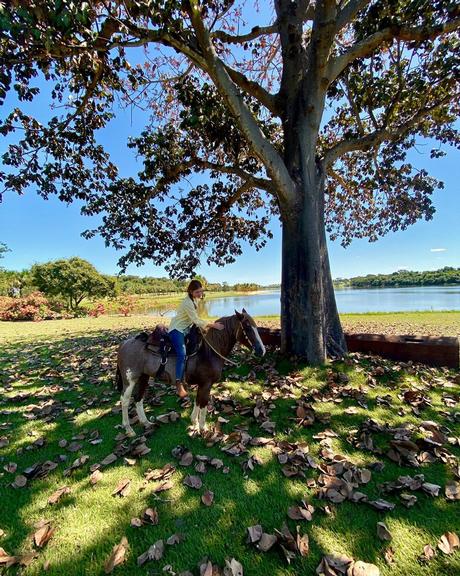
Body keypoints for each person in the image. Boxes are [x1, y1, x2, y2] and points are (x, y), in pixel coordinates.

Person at [168, 280, 224, 398]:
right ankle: (178, 383)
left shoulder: (194, 300)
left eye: (201, 291)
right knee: (182, 353)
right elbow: (196, 319)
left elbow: (196, 318)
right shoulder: (187, 303)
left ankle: (193, 373)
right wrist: (213, 325)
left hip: (186, 328)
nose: (200, 294)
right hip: (177, 329)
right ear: (191, 291)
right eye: (197, 292)